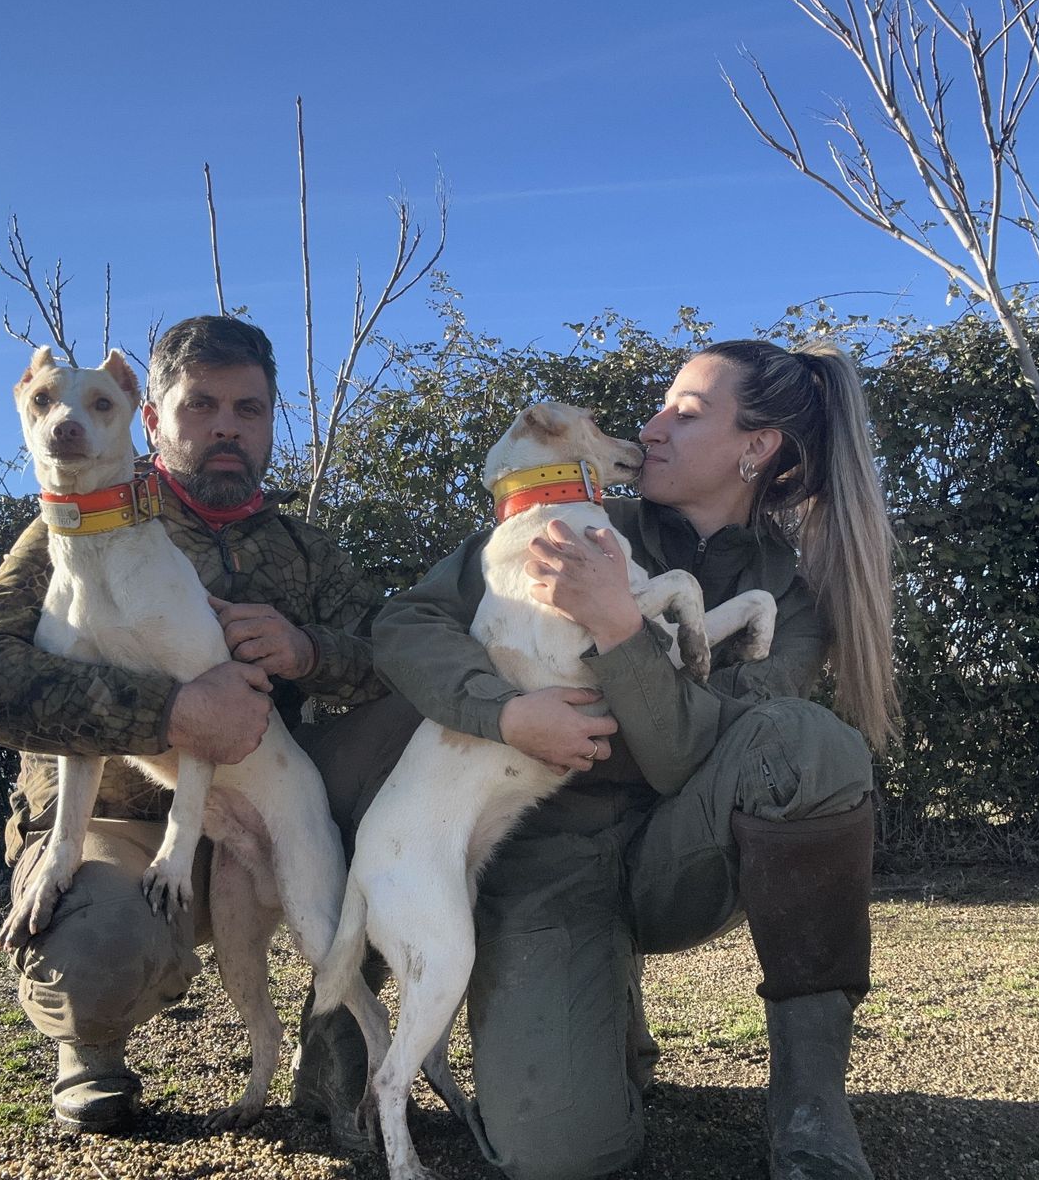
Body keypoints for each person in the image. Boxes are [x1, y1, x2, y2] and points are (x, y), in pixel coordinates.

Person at [369, 339, 897, 1180]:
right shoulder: (567, 523)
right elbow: (405, 626)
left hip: (679, 854)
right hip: (543, 859)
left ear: (756, 449)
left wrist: (618, 628)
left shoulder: (790, 599)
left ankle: (811, 1109)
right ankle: (598, 1002)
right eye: (658, 408)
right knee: (561, 1155)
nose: (651, 429)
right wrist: (504, 710)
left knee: (812, 744)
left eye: (684, 414)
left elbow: (710, 750)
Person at [0, 315, 418, 1136]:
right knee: (96, 949)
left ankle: (332, 1031)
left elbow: (391, 660)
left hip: (252, 802)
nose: (226, 425)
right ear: (148, 416)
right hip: (117, 825)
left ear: (270, 422)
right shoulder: (71, 527)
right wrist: (167, 711)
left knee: (400, 739)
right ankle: (93, 1045)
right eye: (200, 405)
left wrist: (305, 649)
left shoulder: (303, 550)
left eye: (249, 409)